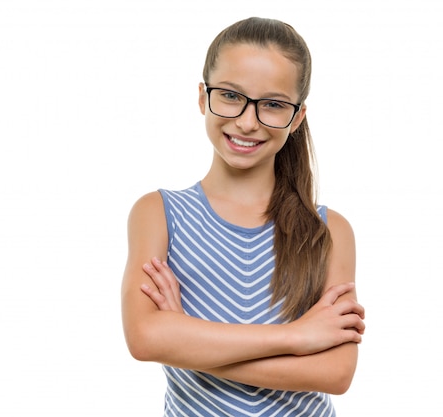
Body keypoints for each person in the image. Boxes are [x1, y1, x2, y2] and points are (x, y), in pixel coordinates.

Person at [121, 17, 366, 416]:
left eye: (272, 104)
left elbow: (336, 372)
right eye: (231, 96)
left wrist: (187, 337)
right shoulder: (158, 213)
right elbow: (146, 338)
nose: (248, 121)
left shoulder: (328, 231)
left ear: (297, 118)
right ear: (203, 97)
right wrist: (295, 337)